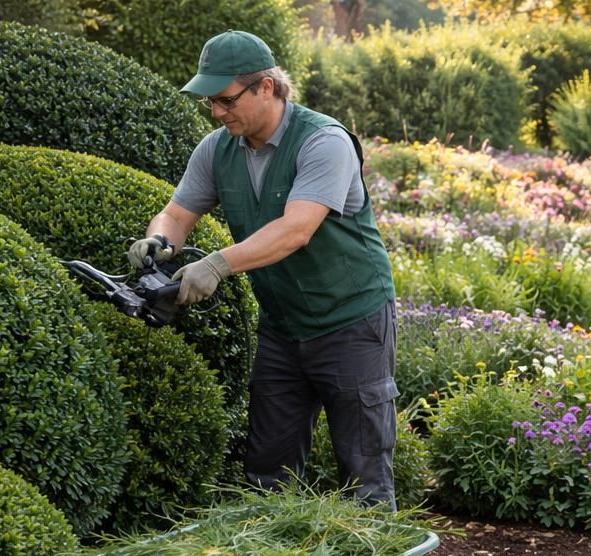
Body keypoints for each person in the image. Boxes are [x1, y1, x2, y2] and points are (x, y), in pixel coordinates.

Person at [130, 30, 401, 514]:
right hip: (283, 327)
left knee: (363, 470)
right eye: (210, 102)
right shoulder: (217, 149)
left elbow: (296, 229)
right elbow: (177, 212)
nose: (217, 112)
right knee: (267, 469)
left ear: (267, 88)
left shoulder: (324, 142)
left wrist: (217, 263)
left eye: (226, 99)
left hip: (351, 320)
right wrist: (160, 240)